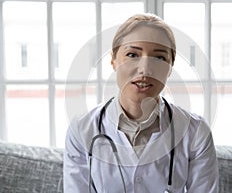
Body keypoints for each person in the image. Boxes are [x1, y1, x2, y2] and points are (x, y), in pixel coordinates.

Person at [64, 13, 219, 193]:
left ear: (170, 68)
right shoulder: (82, 129)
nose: (145, 69)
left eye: (159, 58)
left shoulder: (196, 132)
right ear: (113, 61)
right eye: (132, 54)